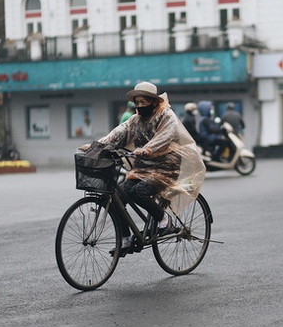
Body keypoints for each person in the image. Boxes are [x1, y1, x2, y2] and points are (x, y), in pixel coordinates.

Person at [79, 81, 205, 253]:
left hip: (165, 168)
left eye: (143, 102)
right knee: (117, 198)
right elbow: (118, 133)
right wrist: (96, 146)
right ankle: (125, 239)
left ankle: (164, 220)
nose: (139, 106)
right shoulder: (135, 120)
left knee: (138, 193)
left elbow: (166, 136)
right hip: (142, 168)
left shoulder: (166, 116)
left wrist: (148, 149)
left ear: (153, 102)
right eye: (136, 103)